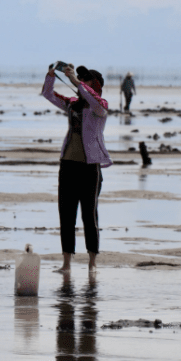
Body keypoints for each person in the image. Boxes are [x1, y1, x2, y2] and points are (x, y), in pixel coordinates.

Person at [41, 63, 112, 273]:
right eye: (80, 78)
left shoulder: (100, 106)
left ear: (95, 85)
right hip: (68, 164)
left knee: (89, 216)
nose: (81, 80)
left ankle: (92, 263)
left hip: (90, 167)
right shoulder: (72, 104)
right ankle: (66, 264)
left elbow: (94, 100)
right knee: (66, 214)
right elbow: (47, 94)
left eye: (86, 79)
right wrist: (50, 76)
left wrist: (75, 82)